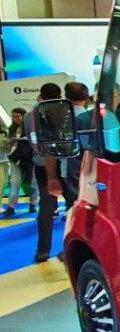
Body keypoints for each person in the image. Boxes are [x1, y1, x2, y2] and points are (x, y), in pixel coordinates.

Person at [24, 82, 64, 262]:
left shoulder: (29, 116)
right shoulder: (64, 112)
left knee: (46, 208)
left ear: (41, 95)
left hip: (41, 164)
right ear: (60, 95)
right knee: (74, 204)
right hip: (65, 162)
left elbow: (31, 141)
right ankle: (69, 249)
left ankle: (43, 250)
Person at [61, 81, 92, 211]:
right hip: (88, 168)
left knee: (72, 205)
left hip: (69, 167)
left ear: (66, 97)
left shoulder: (63, 118)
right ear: (86, 97)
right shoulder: (91, 118)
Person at [2, 108, 35, 216]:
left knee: (33, 183)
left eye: (17, 116)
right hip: (15, 159)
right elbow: (9, 146)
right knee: (14, 183)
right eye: (13, 116)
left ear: (24, 116)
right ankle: (11, 207)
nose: (15, 119)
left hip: (30, 159)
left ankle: (33, 204)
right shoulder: (11, 129)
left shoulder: (31, 127)